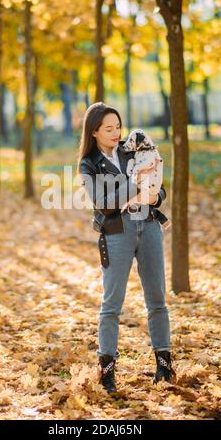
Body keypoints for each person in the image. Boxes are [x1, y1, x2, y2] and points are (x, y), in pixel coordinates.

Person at [77, 102, 176, 394]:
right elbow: (105, 203)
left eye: (118, 127)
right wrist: (135, 183)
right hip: (116, 232)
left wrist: (155, 197)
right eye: (108, 128)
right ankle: (107, 372)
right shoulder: (88, 164)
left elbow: (159, 186)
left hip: (149, 226)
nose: (116, 133)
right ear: (94, 131)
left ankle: (164, 365)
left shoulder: (131, 148)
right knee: (111, 305)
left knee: (157, 299)